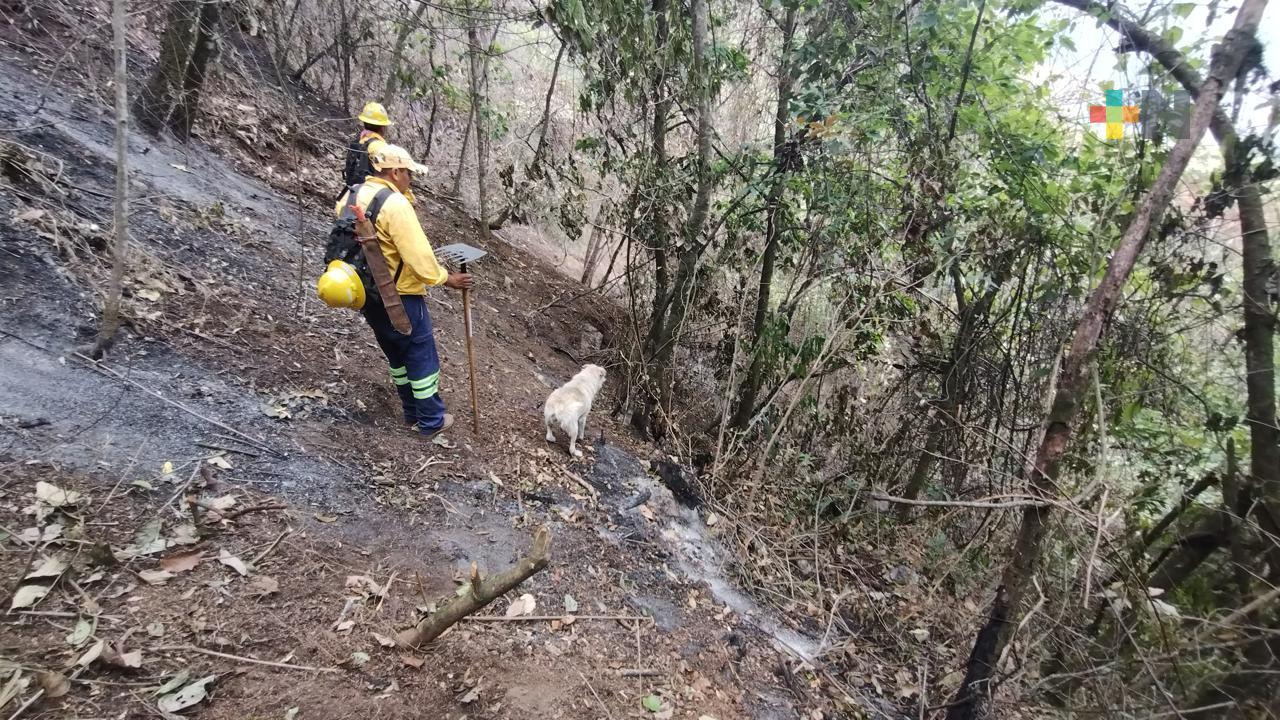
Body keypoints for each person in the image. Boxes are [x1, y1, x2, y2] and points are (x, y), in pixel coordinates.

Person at [334, 144, 473, 437]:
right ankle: (431, 421)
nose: (410, 178)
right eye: (408, 173)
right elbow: (420, 260)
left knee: (396, 354)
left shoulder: (352, 195)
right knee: (421, 355)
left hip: (365, 292)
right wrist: (447, 279)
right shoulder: (395, 205)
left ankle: (410, 411)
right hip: (399, 296)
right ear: (395, 172)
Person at [340, 101, 392, 192]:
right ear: (383, 127)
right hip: (370, 196)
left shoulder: (359, 141)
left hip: (352, 193)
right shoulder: (381, 148)